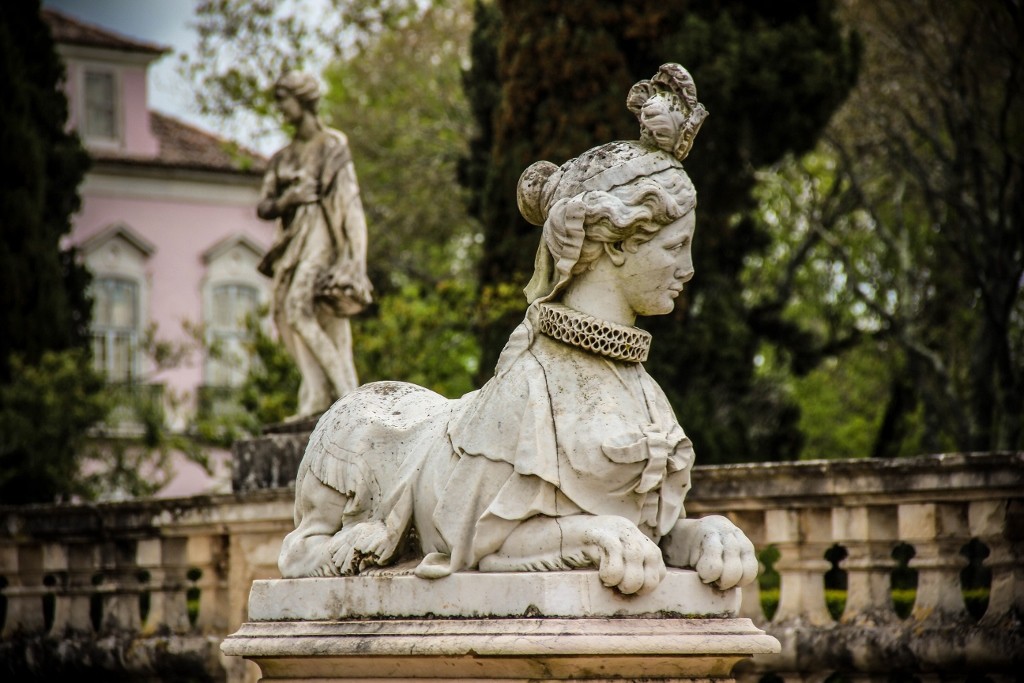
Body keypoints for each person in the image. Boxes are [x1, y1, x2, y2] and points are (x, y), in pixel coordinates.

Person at [278, 64, 757, 596]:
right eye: (674, 247)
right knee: (358, 418)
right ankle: (315, 541)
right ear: (616, 244)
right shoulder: (530, 388)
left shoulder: (647, 397)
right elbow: (489, 540)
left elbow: (653, 532)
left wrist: (706, 533)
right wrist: (598, 535)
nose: (688, 269)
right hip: (389, 441)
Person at [257, 71, 373, 418]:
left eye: (284, 101)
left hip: (322, 238)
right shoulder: (283, 158)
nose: (280, 109)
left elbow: (350, 205)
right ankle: (315, 396)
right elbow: (263, 205)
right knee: (285, 315)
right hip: (292, 243)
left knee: (299, 309)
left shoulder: (331, 145)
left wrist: (356, 258)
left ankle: (347, 395)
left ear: (303, 100)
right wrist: (287, 200)